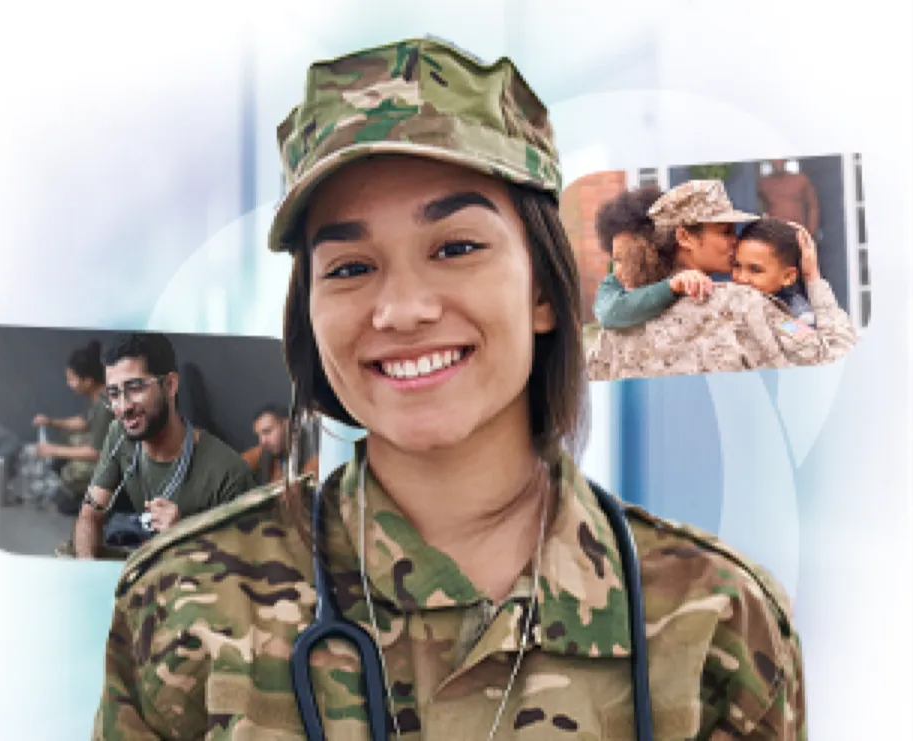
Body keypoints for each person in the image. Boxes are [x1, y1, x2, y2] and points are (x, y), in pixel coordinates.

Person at [93, 38, 806, 740]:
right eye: (348, 267)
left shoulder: (716, 621)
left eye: (456, 248)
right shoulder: (181, 599)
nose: (401, 309)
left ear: (543, 291)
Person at [586, 179, 857, 381]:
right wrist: (813, 278)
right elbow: (836, 357)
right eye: (725, 231)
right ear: (685, 237)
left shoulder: (617, 325)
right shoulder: (743, 303)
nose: (734, 241)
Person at [67, 332, 254, 559]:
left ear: (170, 385)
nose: (123, 406)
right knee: (69, 549)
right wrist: (87, 571)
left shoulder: (228, 474)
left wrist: (183, 534)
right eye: (114, 393)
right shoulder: (120, 434)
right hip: (151, 561)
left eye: (135, 388)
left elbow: (247, 564)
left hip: (196, 578)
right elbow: (90, 514)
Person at [592, 186, 714, 329]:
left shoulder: (677, 271)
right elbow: (609, 312)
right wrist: (670, 288)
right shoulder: (613, 284)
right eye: (616, 260)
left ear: (652, 250)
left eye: (624, 258)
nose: (618, 269)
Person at [32, 340, 115, 515]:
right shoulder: (99, 394)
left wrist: (52, 450)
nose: (69, 383)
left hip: (119, 462)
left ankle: (96, 497)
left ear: (88, 381)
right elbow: (83, 422)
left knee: (72, 472)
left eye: (72, 379)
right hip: (109, 450)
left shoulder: (104, 405)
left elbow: (96, 453)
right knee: (71, 437)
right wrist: (50, 422)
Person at [734, 217, 817, 327]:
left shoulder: (798, 319)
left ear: (788, 277)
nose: (741, 278)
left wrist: (813, 276)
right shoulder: (731, 301)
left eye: (755, 270)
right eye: (736, 266)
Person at [241, 402, 319, 484]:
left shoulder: (313, 457)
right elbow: (237, 467)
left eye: (267, 432)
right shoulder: (265, 451)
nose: (262, 441)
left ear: (286, 425)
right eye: (259, 436)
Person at [757, 158, 821, 238]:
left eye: (779, 158)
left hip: (798, 233)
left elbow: (813, 206)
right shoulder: (764, 184)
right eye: (773, 159)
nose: (777, 161)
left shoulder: (800, 180)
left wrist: (811, 232)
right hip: (776, 234)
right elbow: (759, 210)